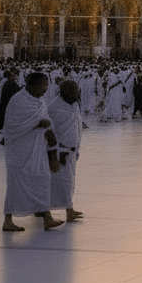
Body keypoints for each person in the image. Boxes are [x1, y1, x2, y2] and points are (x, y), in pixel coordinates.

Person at [2, 72, 64, 232]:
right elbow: (10, 130)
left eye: (46, 86)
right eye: (42, 86)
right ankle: (8, 220)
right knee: (15, 186)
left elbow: (47, 125)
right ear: (32, 85)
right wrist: (36, 125)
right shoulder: (17, 100)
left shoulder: (40, 102)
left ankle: (47, 218)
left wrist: (52, 151)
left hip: (38, 150)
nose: (44, 90)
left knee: (42, 179)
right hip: (19, 151)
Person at [48, 79, 84, 222]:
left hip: (72, 151)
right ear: (64, 92)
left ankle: (67, 209)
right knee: (63, 182)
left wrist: (77, 148)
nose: (76, 94)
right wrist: (55, 153)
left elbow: (77, 126)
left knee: (68, 182)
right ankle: (68, 210)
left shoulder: (74, 104)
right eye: (72, 91)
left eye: (76, 91)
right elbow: (49, 133)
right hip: (60, 153)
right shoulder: (53, 108)